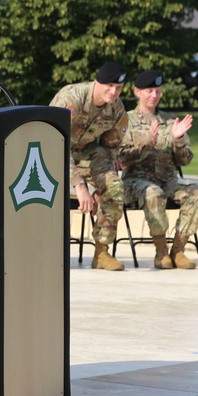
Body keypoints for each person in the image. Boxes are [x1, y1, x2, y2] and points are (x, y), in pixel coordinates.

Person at [118, 70, 198, 269]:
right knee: (153, 192)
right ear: (137, 92)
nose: (154, 96)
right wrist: (146, 143)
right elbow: (121, 157)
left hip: (168, 181)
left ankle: (178, 250)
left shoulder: (170, 120)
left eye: (157, 91)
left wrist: (178, 140)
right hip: (135, 182)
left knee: (196, 193)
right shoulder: (125, 121)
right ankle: (161, 251)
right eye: (149, 91)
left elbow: (185, 160)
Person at [50, 62, 129, 271]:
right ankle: (46, 252)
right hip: (52, 152)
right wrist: (79, 185)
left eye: (118, 88)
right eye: (109, 86)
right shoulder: (72, 98)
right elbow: (53, 140)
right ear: (97, 82)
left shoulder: (117, 109)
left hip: (86, 154)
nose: (114, 92)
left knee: (114, 187)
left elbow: (111, 149)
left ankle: (101, 252)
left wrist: (99, 187)